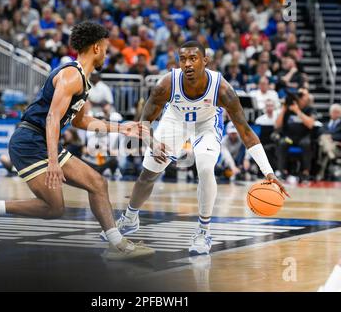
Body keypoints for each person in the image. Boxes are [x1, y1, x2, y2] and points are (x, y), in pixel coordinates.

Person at [0, 21, 153, 261]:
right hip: (29, 141)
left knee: (97, 183)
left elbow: (82, 122)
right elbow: (52, 118)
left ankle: (117, 244)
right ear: (96, 48)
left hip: (43, 141)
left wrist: (121, 128)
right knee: (55, 207)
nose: (107, 54)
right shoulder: (71, 75)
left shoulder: (83, 81)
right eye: (106, 48)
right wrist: (54, 162)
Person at [100, 41, 289, 255]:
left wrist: (268, 172)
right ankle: (130, 218)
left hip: (206, 123)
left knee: (206, 167)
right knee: (148, 173)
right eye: (183, 59)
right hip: (175, 119)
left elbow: (245, 131)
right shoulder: (167, 84)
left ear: (205, 61)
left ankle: (203, 231)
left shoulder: (223, 89)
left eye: (193, 59)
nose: (187, 64)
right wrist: (152, 143)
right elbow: (145, 120)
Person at [275, 88, 316, 181]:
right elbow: (277, 125)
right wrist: (284, 109)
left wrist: (298, 111)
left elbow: (310, 124)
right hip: (290, 138)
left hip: (303, 137)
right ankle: (282, 171)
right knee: (282, 143)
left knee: (306, 144)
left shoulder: (309, 109)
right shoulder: (288, 109)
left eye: (303, 95)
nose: (301, 97)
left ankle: (306, 172)